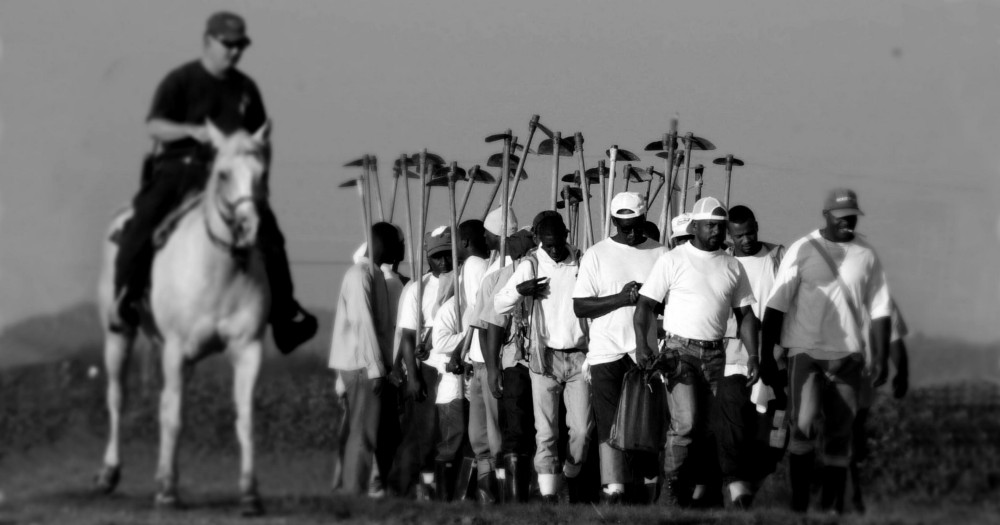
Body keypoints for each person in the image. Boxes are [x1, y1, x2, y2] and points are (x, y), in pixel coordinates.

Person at [112, 11, 316, 353]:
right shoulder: (181, 80)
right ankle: (126, 300)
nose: (235, 52)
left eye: (241, 46)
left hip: (231, 180)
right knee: (143, 220)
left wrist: (259, 184)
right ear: (208, 41)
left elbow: (258, 141)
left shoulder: (246, 89)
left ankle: (283, 314)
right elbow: (155, 126)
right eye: (229, 44)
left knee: (271, 235)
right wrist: (191, 131)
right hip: (181, 169)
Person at [761, 189, 892, 515]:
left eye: (852, 216)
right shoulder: (802, 249)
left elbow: (880, 309)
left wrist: (882, 357)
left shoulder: (866, 254)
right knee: (802, 428)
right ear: (827, 216)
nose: (847, 221)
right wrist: (766, 356)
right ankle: (799, 507)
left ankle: (832, 507)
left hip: (848, 356)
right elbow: (776, 306)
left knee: (840, 433)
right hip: (806, 353)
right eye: (841, 216)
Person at [633, 197, 759, 509]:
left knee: (706, 429)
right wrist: (642, 346)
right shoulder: (674, 259)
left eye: (720, 225)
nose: (716, 231)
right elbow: (645, 306)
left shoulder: (733, 265)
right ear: (695, 227)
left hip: (716, 353)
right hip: (680, 350)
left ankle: (696, 491)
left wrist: (754, 355)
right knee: (686, 422)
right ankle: (671, 490)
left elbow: (746, 316)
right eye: (710, 225)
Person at [573, 192, 667, 504]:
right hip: (606, 351)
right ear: (614, 222)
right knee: (608, 424)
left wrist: (650, 299)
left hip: (644, 353)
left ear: (644, 220)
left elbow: (671, 302)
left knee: (644, 423)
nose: (631, 233)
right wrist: (622, 298)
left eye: (637, 226)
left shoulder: (660, 253)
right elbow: (581, 306)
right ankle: (613, 490)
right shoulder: (597, 254)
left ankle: (644, 488)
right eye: (624, 227)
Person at [495, 213, 592, 504]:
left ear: (567, 234)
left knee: (582, 431)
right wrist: (519, 291)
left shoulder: (583, 261)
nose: (553, 250)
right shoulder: (531, 264)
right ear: (538, 239)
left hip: (579, 356)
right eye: (547, 245)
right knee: (546, 431)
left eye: (558, 243)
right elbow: (499, 303)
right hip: (543, 357)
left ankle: (570, 476)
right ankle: (549, 496)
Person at [713, 205, 786, 509]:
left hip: (775, 357)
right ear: (729, 236)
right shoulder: (724, 264)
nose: (746, 239)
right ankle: (738, 491)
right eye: (739, 235)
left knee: (773, 430)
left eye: (750, 232)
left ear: (757, 225)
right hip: (733, 358)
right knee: (733, 428)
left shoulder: (777, 257)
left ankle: (756, 484)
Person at [328, 222, 404, 495]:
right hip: (362, 366)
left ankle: (351, 488)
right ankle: (354, 491)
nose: (399, 252)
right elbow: (363, 324)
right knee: (364, 435)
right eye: (396, 245)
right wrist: (376, 369)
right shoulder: (362, 275)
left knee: (359, 432)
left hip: (359, 365)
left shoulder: (369, 273)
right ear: (383, 245)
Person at [393, 227, 456, 499]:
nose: (444, 262)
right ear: (428, 258)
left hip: (455, 365)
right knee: (426, 433)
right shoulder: (418, 288)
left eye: (448, 255)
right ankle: (422, 488)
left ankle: (450, 490)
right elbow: (407, 336)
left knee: (451, 432)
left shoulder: (462, 282)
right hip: (428, 368)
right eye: (438, 256)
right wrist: (414, 377)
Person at [850, 300, 909, 513]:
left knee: (839, 437)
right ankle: (851, 498)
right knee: (851, 436)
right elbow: (894, 340)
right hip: (863, 382)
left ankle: (846, 498)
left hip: (830, 374)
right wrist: (902, 374)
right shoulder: (881, 298)